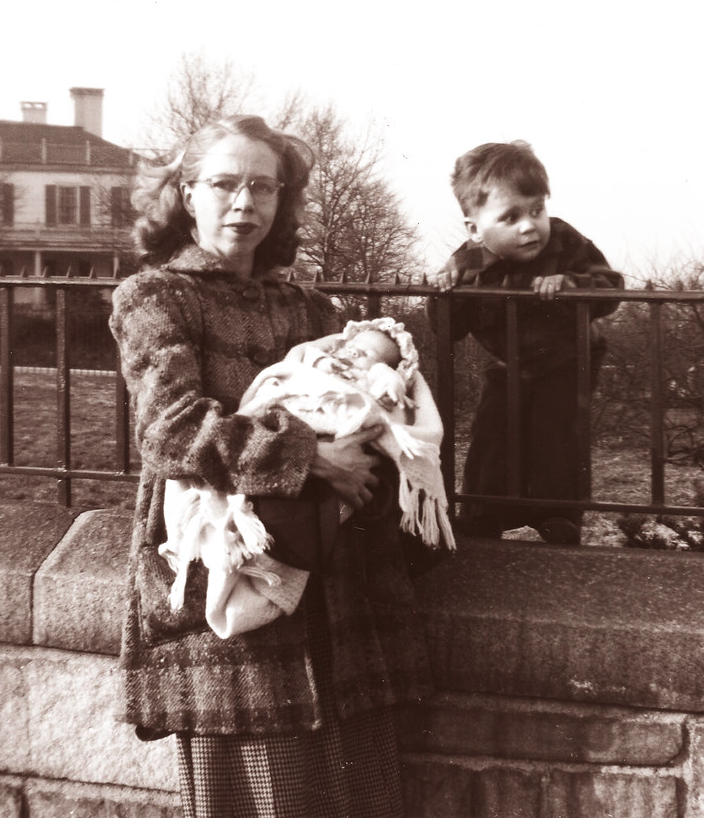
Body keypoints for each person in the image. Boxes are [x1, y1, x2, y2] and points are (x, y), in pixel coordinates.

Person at [109, 115, 434, 818]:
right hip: (225, 582)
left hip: (338, 589)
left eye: (264, 187)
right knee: (261, 796)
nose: (244, 203)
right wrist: (310, 456)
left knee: (359, 797)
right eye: (224, 184)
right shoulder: (158, 297)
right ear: (187, 194)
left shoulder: (313, 308)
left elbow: (365, 412)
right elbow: (170, 433)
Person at [158, 317, 454, 640]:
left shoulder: (320, 316)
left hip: (329, 538)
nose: (355, 355)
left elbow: (390, 403)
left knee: (280, 544)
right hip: (246, 462)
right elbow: (170, 433)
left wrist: (385, 380)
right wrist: (308, 455)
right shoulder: (322, 357)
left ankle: (253, 586)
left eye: (368, 354)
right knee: (245, 534)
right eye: (353, 348)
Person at [430, 140, 623, 545]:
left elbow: (611, 287)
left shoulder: (565, 241)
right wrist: (444, 293)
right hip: (510, 361)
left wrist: (572, 286)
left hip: (569, 357)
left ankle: (559, 515)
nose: (528, 226)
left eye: (537, 210)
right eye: (510, 216)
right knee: (492, 429)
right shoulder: (467, 263)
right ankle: (485, 512)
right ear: (475, 230)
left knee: (556, 431)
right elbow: (447, 329)